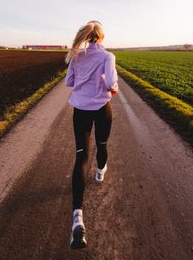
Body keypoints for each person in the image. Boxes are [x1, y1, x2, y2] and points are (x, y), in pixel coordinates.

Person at [65, 20, 118, 249]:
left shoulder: (77, 55)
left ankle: (78, 218)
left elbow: (69, 81)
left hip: (80, 111)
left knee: (81, 155)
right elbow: (113, 85)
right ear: (102, 37)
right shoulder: (108, 57)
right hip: (101, 109)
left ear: (86, 36)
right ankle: (99, 173)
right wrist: (107, 86)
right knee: (102, 144)